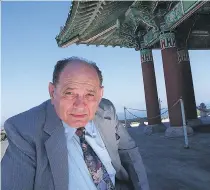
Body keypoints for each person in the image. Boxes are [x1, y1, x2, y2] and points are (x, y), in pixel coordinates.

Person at [1, 57, 149, 190]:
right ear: (52, 92)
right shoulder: (24, 129)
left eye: (90, 94)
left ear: (100, 94)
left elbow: (130, 154)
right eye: (69, 93)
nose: (80, 105)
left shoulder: (107, 111)